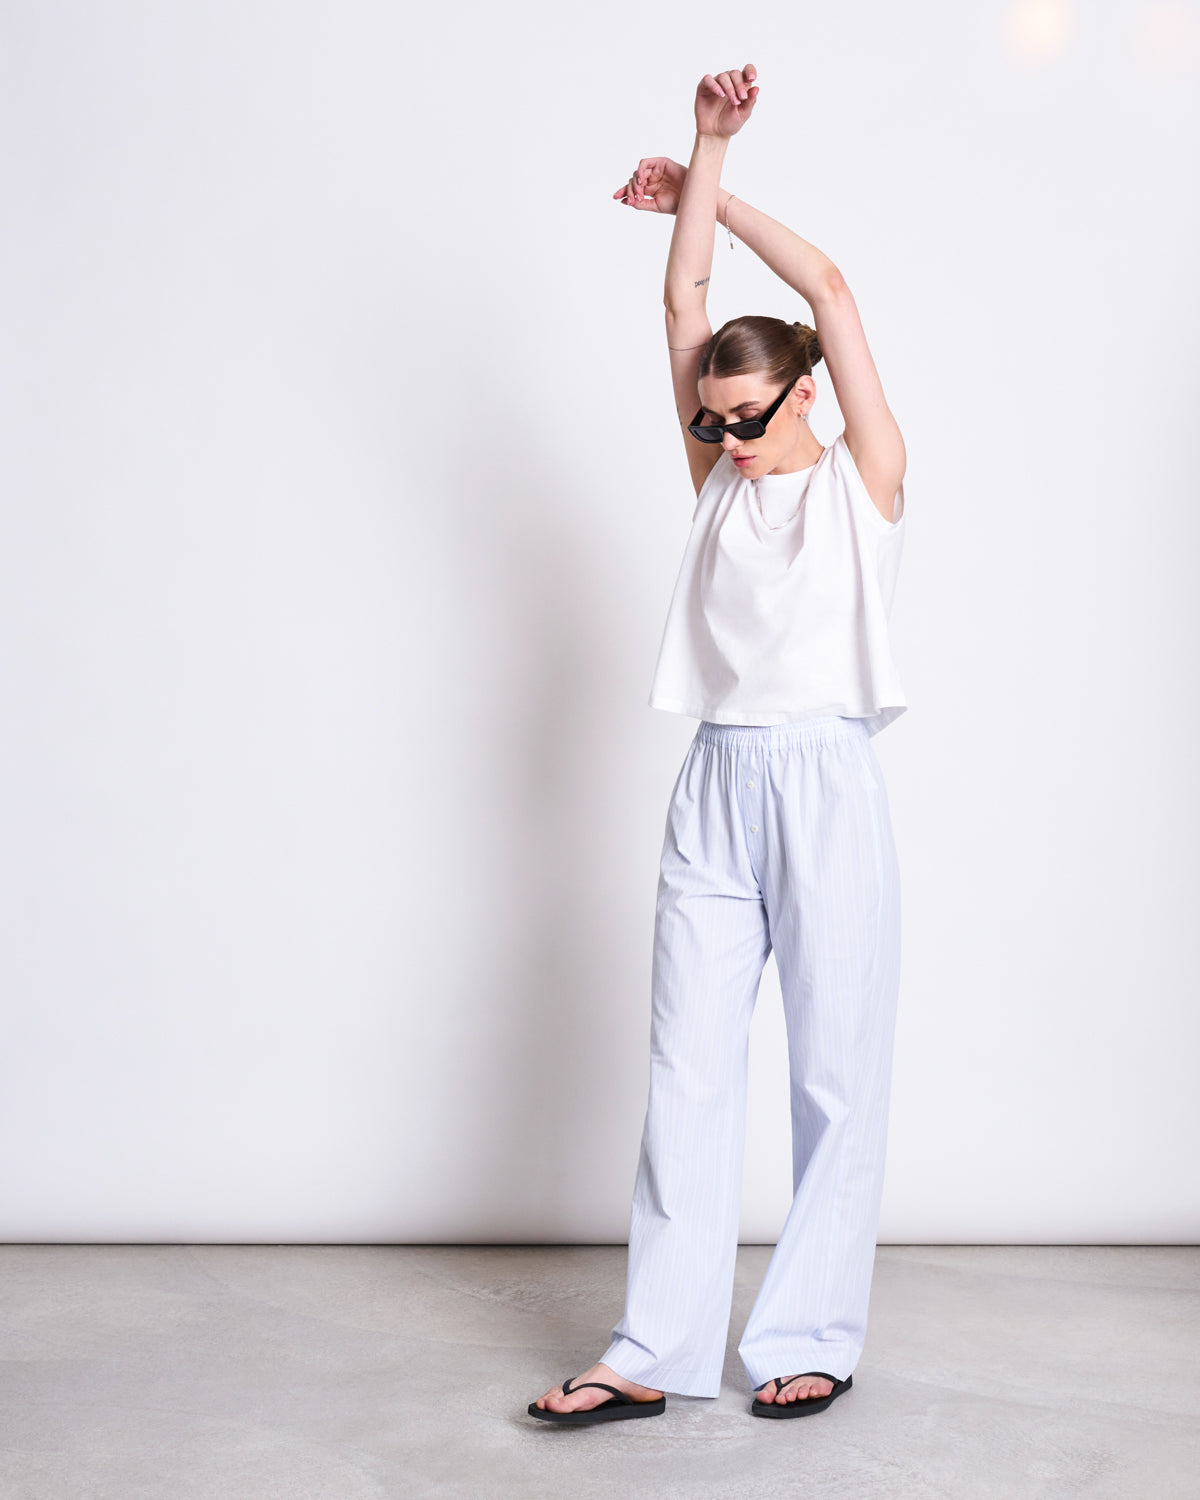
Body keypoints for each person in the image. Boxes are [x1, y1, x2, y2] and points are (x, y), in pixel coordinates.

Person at [529, 62, 907, 1426]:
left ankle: (811, 1333)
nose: (728, 437)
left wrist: (725, 197)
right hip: (717, 780)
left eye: (751, 415)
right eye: (712, 419)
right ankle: (653, 1349)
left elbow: (836, 293)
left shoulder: (864, 487)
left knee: (832, 1074)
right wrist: (703, 154)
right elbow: (682, 308)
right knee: (685, 1068)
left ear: (803, 394)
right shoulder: (716, 488)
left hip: (826, 778)